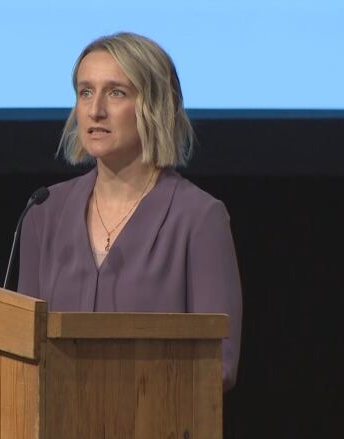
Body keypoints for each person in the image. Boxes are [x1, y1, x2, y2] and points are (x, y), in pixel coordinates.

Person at [17, 32, 242, 391]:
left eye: (116, 92)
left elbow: (219, 364)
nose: (95, 110)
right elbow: (20, 347)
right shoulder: (44, 212)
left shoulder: (198, 218)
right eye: (85, 92)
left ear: (153, 106)